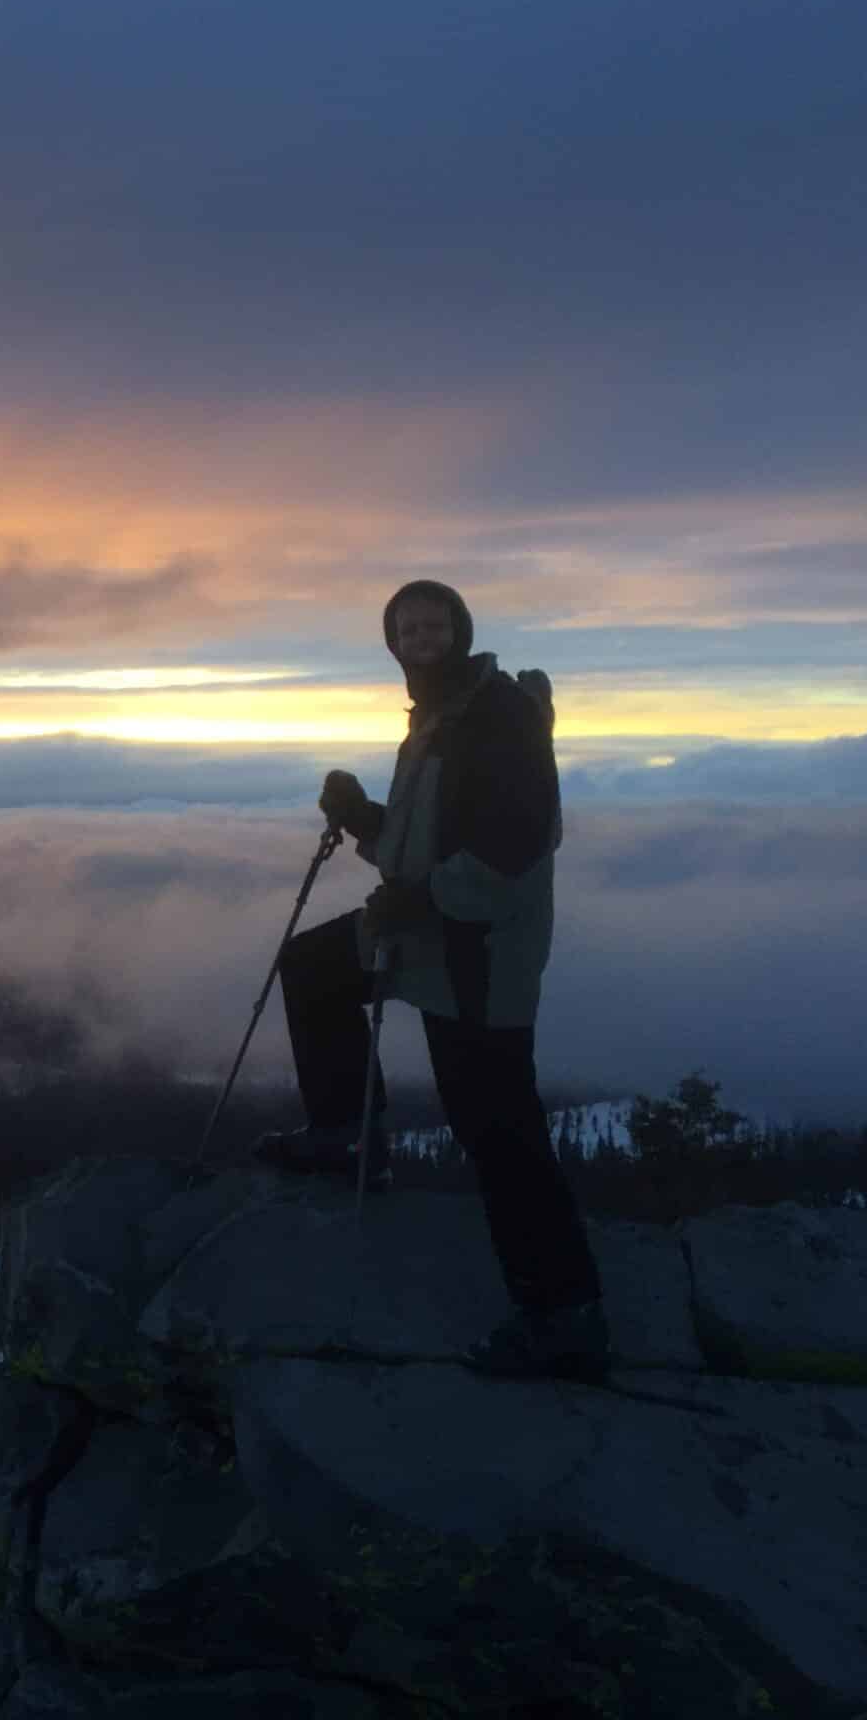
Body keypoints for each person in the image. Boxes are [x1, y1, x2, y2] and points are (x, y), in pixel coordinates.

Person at [255, 579, 607, 1381]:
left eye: (432, 622)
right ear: (393, 643)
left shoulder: (500, 716)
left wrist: (425, 898)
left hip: (478, 952)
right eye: (405, 626)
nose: (419, 634)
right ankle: (351, 1139)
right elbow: (416, 848)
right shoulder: (436, 720)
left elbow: (523, 843)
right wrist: (362, 818)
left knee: (497, 1124)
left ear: (458, 629)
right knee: (315, 969)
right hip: (425, 927)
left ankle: (565, 1315)